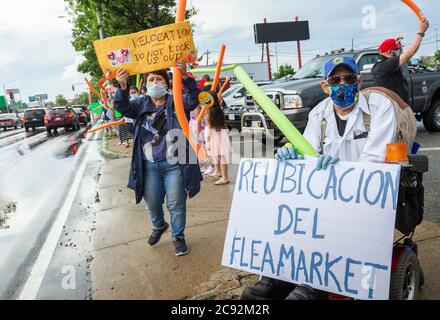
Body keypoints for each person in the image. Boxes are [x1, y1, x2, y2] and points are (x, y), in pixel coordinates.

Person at [242, 56, 398, 300]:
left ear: (359, 81)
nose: (342, 84)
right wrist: (293, 159)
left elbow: (375, 162)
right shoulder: (319, 114)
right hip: (328, 202)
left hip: (363, 204)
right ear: (326, 86)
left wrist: (343, 171)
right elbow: (309, 158)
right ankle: (281, 274)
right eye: (335, 80)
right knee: (292, 218)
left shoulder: (380, 107)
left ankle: (314, 283)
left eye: (349, 78)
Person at [113, 61, 202, 257]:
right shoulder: (139, 104)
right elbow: (121, 106)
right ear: (145, 85)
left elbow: (195, 99)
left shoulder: (177, 101)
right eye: (151, 79)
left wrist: (186, 77)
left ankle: (178, 237)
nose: (155, 82)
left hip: (175, 164)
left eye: (159, 79)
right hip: (148, 165)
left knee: (176, 203)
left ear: (167, 83)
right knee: (152, 203)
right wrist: (122, 86)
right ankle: (159, 225)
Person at [372, 18, 429, 103]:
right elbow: (410, 52)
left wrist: (394, 42)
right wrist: (421, 32)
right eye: (396, 51)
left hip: (388, 106)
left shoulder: (377, 65)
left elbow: (385, 49)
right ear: (389, 52)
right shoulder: (389, 64)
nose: (397, 53)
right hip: (396, 108)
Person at [205, 91, 231, 185]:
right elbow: (224, 124)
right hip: (222, 133)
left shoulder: (209, 110)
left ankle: (225, 178)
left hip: (214, 135)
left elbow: (209, 127)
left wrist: (207, 141)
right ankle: (221, 174)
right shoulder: (219, 109)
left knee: (220, 156)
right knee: (221, 156)